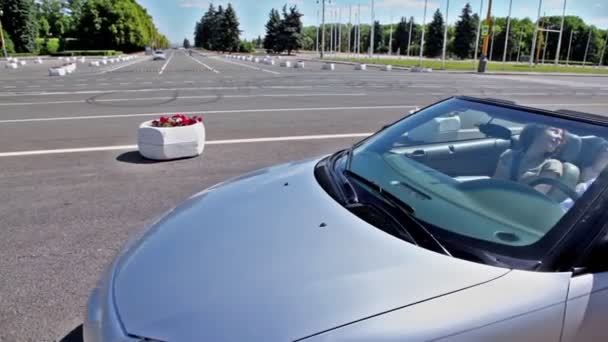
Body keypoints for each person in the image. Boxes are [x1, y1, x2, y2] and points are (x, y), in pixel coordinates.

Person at [494, 124, 567, 195]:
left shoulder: (552, 165)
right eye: (555, 131)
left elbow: (535, 197)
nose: (559, 137)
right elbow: (494, 184)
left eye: (561, 136)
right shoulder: (509, 155)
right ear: (536, 131)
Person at [561, 138, 608, 210]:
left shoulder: (603, 186)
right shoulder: (575, 168)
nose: (604, 155)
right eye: (604, 151)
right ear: (597, 152)